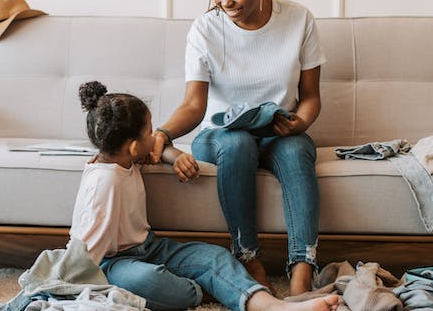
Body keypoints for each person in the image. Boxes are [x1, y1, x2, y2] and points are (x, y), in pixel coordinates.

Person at [71, 81, 338, 311]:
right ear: (131, 146)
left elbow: (157, 147)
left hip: (150, 247)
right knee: (149, 282)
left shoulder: (124, 157)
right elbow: (83, 254)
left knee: (215, 257)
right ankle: (211, 290)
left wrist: (174, 156)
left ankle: (270, 305)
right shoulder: (102, 184)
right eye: (148, 130)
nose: (155, 135)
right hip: (112, 263)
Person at [149, 0, 327, 296]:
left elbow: (311, 97)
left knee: (299, 147)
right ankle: (249, 259)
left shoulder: (299, 18)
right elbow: (193, 105)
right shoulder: (205, 29)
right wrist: (163, 133)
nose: (225, 2)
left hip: (277, 132)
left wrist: (298, 123)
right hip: (220, 137)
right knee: (238, 144)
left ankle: (302, 274)